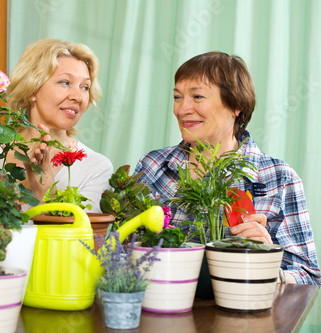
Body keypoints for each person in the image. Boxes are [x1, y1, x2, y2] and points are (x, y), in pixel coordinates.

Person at [135, 51, 321, 285]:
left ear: (237, 105)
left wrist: (267, 261)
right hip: (162, 311)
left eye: (198, 97)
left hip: (241, 318)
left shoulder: (279, 178)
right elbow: (122, 252)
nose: (182, 109)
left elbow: (309, 278)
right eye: (177, 97)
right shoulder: (152, 167)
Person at [6, 39, 114, 213]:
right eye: (65, 82)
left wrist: (45, 186)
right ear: (33, 89)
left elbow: (79, 238)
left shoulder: (97, 168)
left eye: (85, 87)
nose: (78, 97)